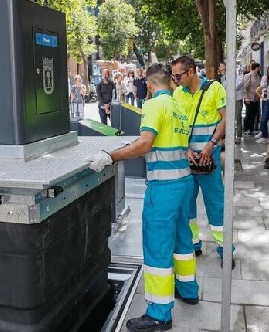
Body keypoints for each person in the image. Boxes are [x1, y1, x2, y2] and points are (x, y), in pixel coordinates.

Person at [87, 63, 199, 332]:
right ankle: (188, 289)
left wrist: (110, 156)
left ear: (148, 85)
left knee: (157, 246)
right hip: (184, 182)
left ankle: (159, 314)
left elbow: (146, 143)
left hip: (164, 187)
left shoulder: (153, 105)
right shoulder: (179, 106)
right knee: (183, 238)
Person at [171, 56, 229, 266]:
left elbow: (226, 117)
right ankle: (193, 243)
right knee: (187, 203)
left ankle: (225, 248)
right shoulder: (177, 94)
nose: (175, 79)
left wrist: (211, 144)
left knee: (216, 202)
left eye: (178, 75)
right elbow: (175, 124)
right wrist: (185, 149)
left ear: (191, 71)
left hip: (209, 156)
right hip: (186, 157)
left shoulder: (215, 89)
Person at [256, 66, 269, 144]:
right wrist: (262, 98)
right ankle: (265, 136)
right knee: (263, 120)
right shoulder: (267, 83)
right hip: (268, 102)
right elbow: (257, 90)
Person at [243, 63, 261, 136]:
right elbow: (245, 87)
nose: (260, 69)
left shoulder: (258, 76)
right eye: (259, 67)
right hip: (249, 98)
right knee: (249, 114)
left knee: (254, 114)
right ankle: (247, 129)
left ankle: (252, 129)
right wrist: (246, 97)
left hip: (256, 98)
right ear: (256, 68)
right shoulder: (248, 76)